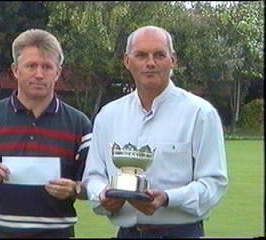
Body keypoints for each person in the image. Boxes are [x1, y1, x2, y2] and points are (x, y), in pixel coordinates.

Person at [82, 25, 228, 238]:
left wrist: (168, 198)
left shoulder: (200, 114)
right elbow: (94, 175)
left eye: (159, 55)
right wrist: (102, 195)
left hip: (180, 233)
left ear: (173, 60)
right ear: (127, 61)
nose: (150, 63)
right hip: (127, 233)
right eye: (141, 55)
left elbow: (214, 184)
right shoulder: (109, 115)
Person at [0, 29, 92, 238]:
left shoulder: (79, 123)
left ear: (58, 72)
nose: (39, 74)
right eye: (31, 66)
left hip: (57, 233)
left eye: (47, 67)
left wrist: (75, 189)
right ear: (15, 70)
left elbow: (94, 185)